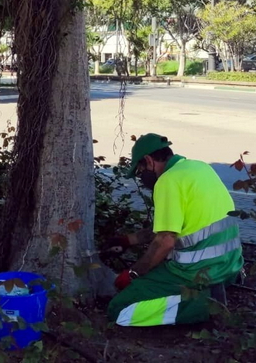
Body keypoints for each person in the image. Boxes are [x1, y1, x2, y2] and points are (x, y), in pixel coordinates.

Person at [103, 133, 243, 327]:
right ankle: (215, 287)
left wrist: (133, 274)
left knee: (120, 310)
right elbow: (171, 224)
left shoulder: (168, 181)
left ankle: (204, 304)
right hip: (230, 264)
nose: (141, 176)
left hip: (195, 271)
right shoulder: (198, 167)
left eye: (140, 170)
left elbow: (165, 241)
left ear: (149, 161)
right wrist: (128, 240)